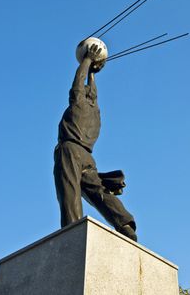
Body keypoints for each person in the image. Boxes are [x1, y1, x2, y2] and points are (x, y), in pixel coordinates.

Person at [53, 44, 137, 241]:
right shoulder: (95, 113)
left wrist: (87, 61)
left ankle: (71, 229)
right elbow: (92, 92)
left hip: (70, 150)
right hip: (88, 157)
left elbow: (77, 84)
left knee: (69, 190)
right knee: (98, 191)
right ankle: (124, 222)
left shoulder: (78, 104)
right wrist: (93, 74)